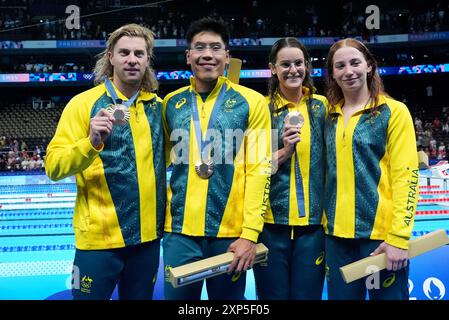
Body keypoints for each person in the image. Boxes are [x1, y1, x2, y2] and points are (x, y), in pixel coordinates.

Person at [45, 24, 166, 300]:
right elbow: (53, 166)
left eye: (139, 53)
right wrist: (90, 143)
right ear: (110, 57)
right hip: (98, 243)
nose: (132, 59)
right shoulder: (82, 104)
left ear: (148, 59)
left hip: (147, 242)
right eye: (124, 52)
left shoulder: (158, 108)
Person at [162, 17, 271, 300]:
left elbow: (260, 169)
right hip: (179, 233)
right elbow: (157, 162)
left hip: (231, 233)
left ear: (226, 57)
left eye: (215, 47)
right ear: (188, 57)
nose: (207, 54)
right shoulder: (171, 103)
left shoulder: (252, 102)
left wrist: (249, 234)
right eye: (199, 48)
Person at [324, 38, 418, 300]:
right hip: (336, 239)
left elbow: (406, 176)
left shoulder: (394, 112)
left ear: (369, 66)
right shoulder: (327, 115)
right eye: (340, 66)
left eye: (355, 62)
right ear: (332, 73)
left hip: (380, 240)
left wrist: (398, 238)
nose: (348, 71)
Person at [252, 37, 327, 300]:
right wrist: (283, 152)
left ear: (307, 66)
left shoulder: (323, 108)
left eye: (298, 63)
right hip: (271, 226)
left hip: (313, 227)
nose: (293, 70)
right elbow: (251, 170)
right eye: (285, 64)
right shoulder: (260, 109)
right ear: (273, 68)